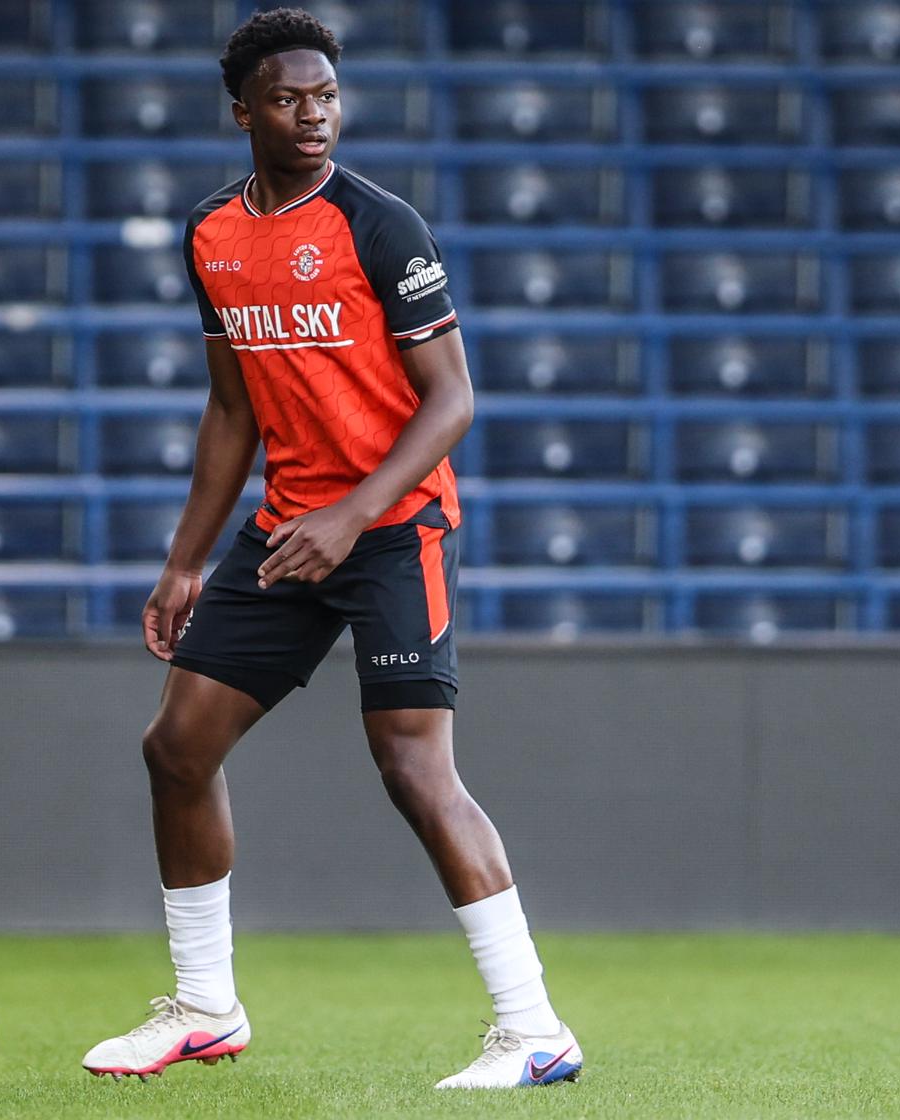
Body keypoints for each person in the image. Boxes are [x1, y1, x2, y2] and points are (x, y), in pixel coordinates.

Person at [80, 7, 580, 1090]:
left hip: (393, 529)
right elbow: (231, 410)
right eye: (288, 100)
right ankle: (205, 1008)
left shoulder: (381, 225)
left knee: (414, 767)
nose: (314, 116)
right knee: (176, 749)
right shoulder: (212, 234)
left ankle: (534, 1029)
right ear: (243, 113)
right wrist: (184, 561)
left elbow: (452, 401)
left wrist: (353, 514)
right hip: (288, 530)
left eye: (327, 97)